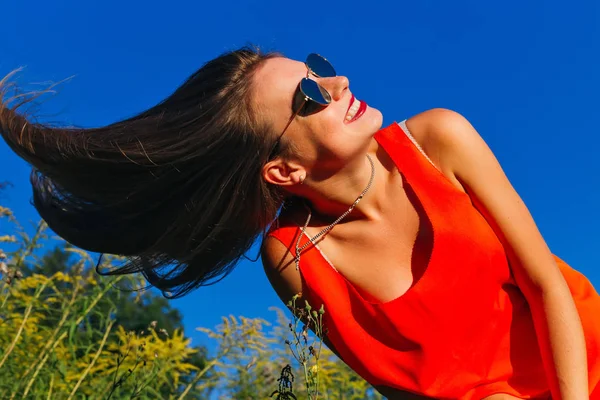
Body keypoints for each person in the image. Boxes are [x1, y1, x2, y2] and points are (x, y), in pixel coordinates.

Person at [1, 47, 598, 399]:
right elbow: (396, 387)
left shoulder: (439, 139)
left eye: (318, 69)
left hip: (583, 358)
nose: (338, 83)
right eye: (309, 96)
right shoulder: (292, 259)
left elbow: (547, 285)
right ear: (284, 171)